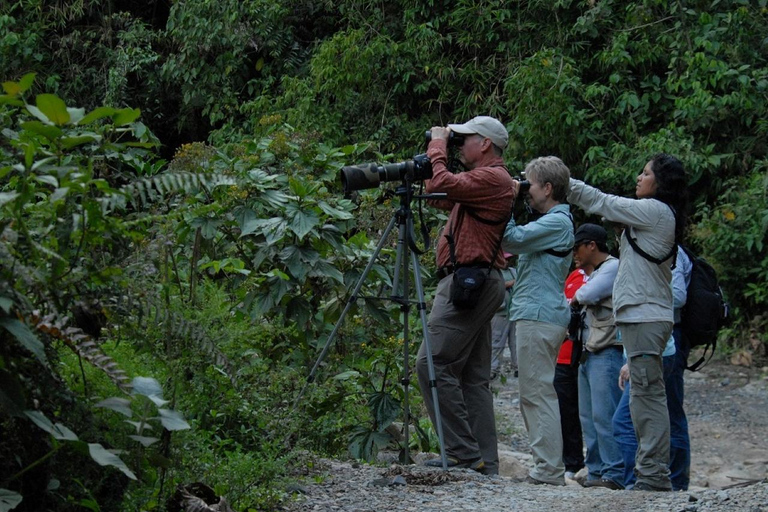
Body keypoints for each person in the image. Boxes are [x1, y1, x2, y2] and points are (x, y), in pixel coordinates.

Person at [567, 153, 688, 491]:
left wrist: (564, 183)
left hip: (646, 316)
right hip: (642, 317)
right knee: (642, 396)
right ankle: (649, 473)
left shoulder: (655, 211)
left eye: (645, 173)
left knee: (647, 395)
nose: (639, 177)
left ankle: (653, 476)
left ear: (660, 183)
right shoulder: (658, 215)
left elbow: (602, 202)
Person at [416, 116, 515, 475]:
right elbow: (437, 193)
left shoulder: (493, 178)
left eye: (464, 140)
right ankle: (484, 461)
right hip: (472, 283)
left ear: (485, 143)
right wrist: (432, 160)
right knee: (472, 376)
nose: (459, 145)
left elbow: (441, 181)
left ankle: (462, 453)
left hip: (469, 283)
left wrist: (438, 145)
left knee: (432, 363)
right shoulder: (484, 182)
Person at [502, 156, 574, 486]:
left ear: (547, 187)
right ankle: (546, 466)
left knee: (536, 393)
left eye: (529, 184)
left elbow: (511, 240)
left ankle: (548, 470)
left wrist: (506, 201)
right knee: (535, 392)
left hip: (540, 315)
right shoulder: (550, 221)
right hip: (538, 313)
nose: (525, 190)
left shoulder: (557, 223)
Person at [612, 246, 693, 490]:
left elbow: (675, 297)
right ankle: (668, 481)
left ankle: (641, 481)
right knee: (667, 413)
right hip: (654, 347)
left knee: (628, 420)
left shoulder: (663, 255)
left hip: (657, 348)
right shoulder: (644, 256)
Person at [570, 223, 624, 490]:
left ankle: (615, 473)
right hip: (588, 352)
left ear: (592, 245)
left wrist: (576, 298)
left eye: (577, 246)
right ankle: (596, 471)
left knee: (605, 416)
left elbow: (584, 295)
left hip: (607, 352)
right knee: (588, 418)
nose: (574, 253)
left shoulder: (613, 267)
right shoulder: (594, 272)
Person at [555, 266, 590, 481]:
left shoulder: (607, 273)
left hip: (588, 353)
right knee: (565, 412)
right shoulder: (575, 275)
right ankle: (572, 461)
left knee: (591, 412)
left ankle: (602, 464)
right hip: (563, 355)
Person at [490, 253, 517, 380]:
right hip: (499, 313)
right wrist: (511, 283)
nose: (507, 261)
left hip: (514, 313)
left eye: (509, 259)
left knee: (515, 343)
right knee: (496, 342)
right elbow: (494, 286)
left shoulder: (513, 271)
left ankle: (518, 367)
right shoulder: (493, 271)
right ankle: (492, 369)